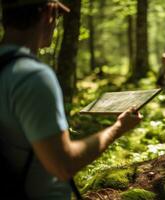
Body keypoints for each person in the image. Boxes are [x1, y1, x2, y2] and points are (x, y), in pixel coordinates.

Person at [0, 0, 142, 199]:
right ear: (49, 12)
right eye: (58, 16)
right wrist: (118, 128)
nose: (56, 22)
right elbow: (63, 164)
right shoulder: (33, 76)